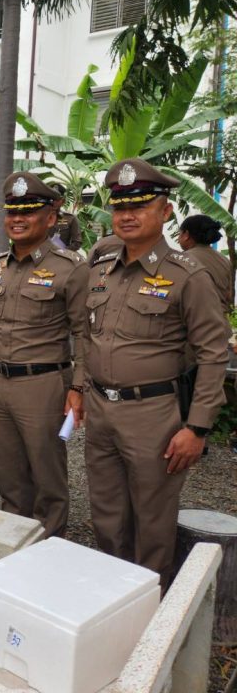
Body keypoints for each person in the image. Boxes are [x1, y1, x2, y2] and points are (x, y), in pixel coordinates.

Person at [84, 158, 228, 586]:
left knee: (152, 519)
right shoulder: (102, 269)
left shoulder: (187, 275)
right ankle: (112, 597)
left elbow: (213, 353)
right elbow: (87, 336)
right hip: (101, 410)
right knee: (107, 513)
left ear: (165, 211)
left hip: (153, 415)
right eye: (120, 206)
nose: (127, 215)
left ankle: (150, 606)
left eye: (140, 205)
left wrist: (197, 427)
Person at [0, 173, 88, 539]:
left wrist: (78, 388)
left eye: (28, 211)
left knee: (46, 475)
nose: (17, 219)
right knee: (9, 474)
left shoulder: (70, 268)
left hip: (43, 384)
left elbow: (85, 333)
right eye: (12, 211)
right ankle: (14, 545)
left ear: (50, 218)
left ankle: (48, 548)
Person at [178, 214, 233, 314]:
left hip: (195, 318)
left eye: (179, 233)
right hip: (220, 318)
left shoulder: (182, 259)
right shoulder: (225, 260)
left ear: (186, 235)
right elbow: (228, 295)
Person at [47, 183, 82, 251]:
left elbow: (77, 242)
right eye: (51, 199)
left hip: (62, 255)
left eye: (57, 199)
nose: (53, 202)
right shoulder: (40, 217)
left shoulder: (70, 218)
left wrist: (62, 252)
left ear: (63, 201)